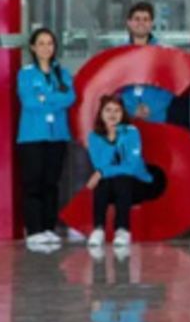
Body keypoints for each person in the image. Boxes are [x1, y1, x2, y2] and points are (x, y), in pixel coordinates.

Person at [16, 27, 74, 248]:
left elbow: (69, 97)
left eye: (50, 43)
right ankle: (34, 229)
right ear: (32, 47)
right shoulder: (26, 73)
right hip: (32, 136)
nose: (46, 48)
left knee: (51, 183)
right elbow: (29, 102)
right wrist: (53, 99)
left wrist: (45, 98)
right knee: (33, 184)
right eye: (41, 43)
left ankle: (49, 227)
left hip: (57, 135)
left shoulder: (62, 72)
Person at [85, 94, 152, 248]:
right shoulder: (94, 136)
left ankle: (122, 230)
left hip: (136, 183)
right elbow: (100, 164)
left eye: (117, 110)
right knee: (104, 181)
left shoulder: (131, 132)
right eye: (108, 110)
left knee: (121, 178)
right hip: (109, 186)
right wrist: (111, 139)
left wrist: (101, 172)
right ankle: (98, 229)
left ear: (123, 114)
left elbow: (132, 166)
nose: (113, 114)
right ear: (101, 114)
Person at [116, 2, 173, 122]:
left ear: (151, 23)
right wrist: (131, 108)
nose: (141, 23)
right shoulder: (119, 54)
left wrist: (151, 107)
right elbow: (115, 86)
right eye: (137, 19)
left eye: (146, 19)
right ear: (129, 23)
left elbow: (169, 87)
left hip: (156, 118)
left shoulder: (162, 53)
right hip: (126, 118)